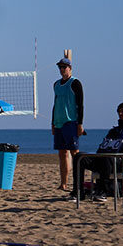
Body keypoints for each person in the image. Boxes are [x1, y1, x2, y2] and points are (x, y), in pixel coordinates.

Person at [72, 102, 123, 202]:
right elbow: (103, 147)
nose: (120, 114)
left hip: (122, 162)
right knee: (79, 156)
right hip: (104, 160)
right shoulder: (114, 131)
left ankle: (102, 192)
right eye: (119, 111)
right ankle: (78, 191)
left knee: (107, 157)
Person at [52, 56, 85, 191]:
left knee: (74, 153)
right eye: (60, 67)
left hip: (71, 122)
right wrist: (52, 123)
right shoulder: (56, 84)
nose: (61, 69)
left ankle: (77, 184)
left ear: (70, 68)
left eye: (64, 67)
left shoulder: (75, 83)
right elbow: (55, 104)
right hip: (58, 122)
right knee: (62, 154)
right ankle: (63, 183)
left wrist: (80, 124)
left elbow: (81, 104)